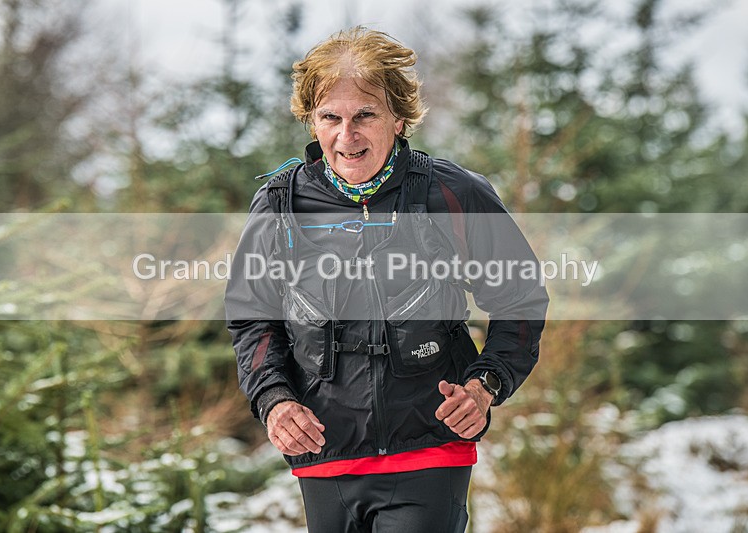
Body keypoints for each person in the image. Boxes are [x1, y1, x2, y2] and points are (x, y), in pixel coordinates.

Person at [226, 27, 548, 532]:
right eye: (330, 118)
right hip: (325, 451)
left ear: (399, 118)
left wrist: (485, 385)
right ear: (312, 120)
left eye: (365, 116)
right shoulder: (279, 205)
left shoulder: (453, 194)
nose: (346, 136)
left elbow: (520, 298)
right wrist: (274, 400)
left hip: (430, 446)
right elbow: (253, 318)